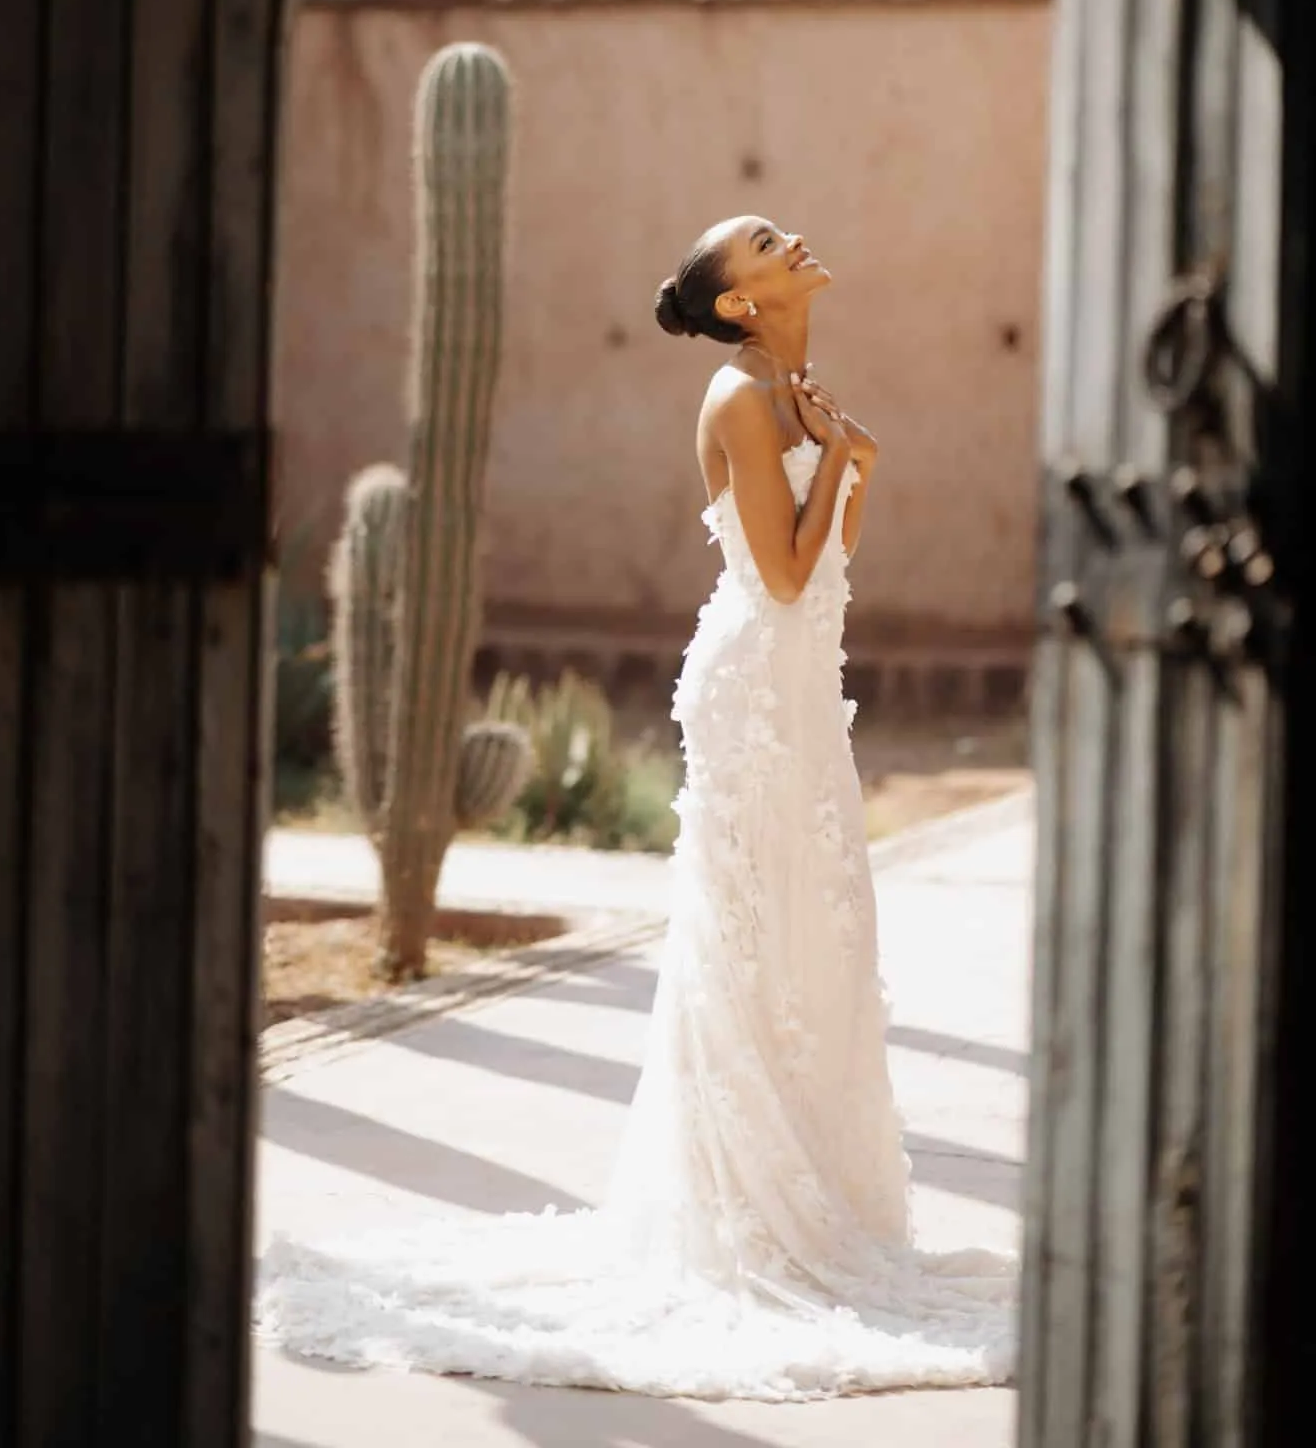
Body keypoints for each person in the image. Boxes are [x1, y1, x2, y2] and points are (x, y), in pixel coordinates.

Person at [256, 214, 1017, 1401]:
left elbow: (834, 556)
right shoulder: (737, 399)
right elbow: (778, 571)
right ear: (742, 302)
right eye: (769, 242)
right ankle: (746, 1213)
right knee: (759, 938)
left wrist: (852, 464)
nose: (796, 237)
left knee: (820, 935)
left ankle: (821, 1199)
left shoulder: (793, 383)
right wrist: (855, 461)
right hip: (757, 688)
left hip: (803, 686)